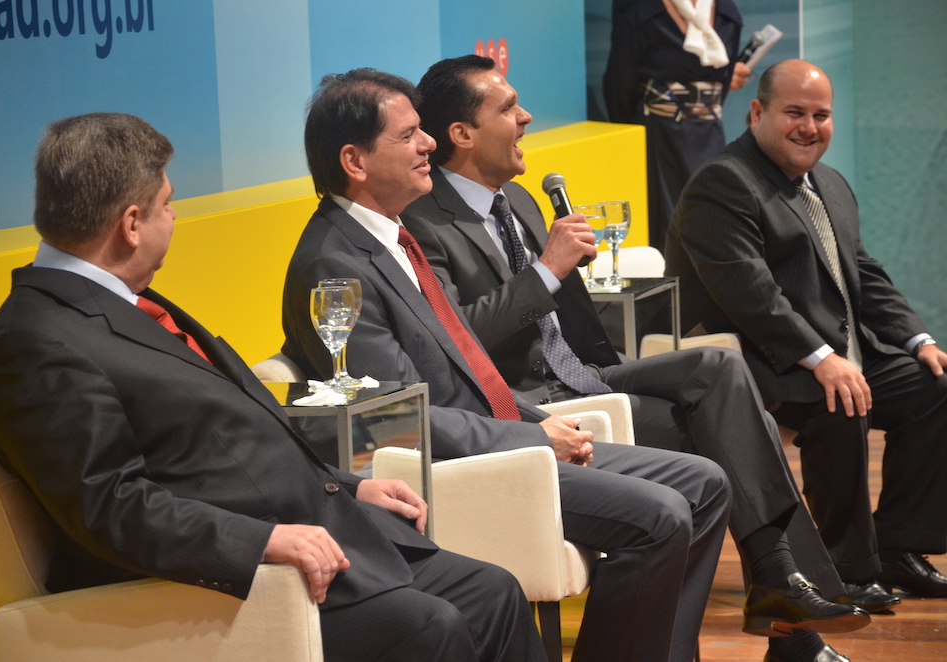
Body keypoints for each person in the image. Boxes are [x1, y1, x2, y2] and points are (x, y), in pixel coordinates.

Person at [0, 112, 549, 662]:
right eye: (167, 206)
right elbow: (111, 507)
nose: (173, 219)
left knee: (493, 592)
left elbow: (229, 446)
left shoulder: (123, 302)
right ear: (129, 224)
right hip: (219, 588)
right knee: (434, 626)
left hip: (321, 535)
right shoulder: (34, 344)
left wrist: (348, 488)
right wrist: (265, 543)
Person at [400, 54, 870, 662]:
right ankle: (787, 613)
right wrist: (548, 268)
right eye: (508, 108)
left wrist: (608, 361)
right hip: (529, 401)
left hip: (581, 378)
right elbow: (459, 340)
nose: (527, 116)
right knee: (723, 436)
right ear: (462, 134)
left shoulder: (515, 199)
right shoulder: (422, 219)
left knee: (717, 370)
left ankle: (780, 585)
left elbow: (568, 324)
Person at [281, 66, 732, 662]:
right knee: (664, 514)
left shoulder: (393, 237)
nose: (428, 145)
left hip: (501, 436)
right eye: (409, 135)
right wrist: (526, 433)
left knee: (704, 483)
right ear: (355, 161)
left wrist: (532, 419)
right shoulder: (334, 264)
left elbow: (466, 363)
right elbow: (397, 416)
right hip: (459, 469)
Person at [666, 59, 947, 610]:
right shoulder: (722, 184)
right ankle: (849, 567)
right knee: (838, 400)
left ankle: (898, 547)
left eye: (821, 115)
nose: (809, 127)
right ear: (756, 112)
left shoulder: (829, 182)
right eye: (794, 112)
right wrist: (822, 358)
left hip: (829, 348)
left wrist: (919, 341)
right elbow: (752, 297)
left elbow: (863, 271)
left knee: (932, 387)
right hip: (753, 359)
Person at [603, 0, 750, 251]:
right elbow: (618, 88)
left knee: (714, 222)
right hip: (657, 140)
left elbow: (722, 85)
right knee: (667, 234)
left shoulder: (727, 13)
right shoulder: (640, 13)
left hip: (709, 138)